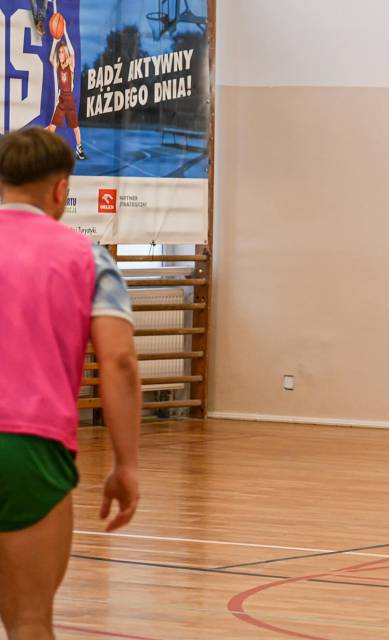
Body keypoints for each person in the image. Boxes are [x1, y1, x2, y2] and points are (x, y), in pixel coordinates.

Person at [0, 128, 141, 639]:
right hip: (29, 447)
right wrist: (125, 464)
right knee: (29, 621)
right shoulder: (88, 257)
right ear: (61, 189)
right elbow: (119, 360)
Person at [47, 27, 86, 161]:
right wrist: (54, 42)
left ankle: (79, 148)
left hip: (69, 99)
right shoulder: (58, 66)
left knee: (75, 127)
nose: (61, 54)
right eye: (60, 52)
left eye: (63, 52)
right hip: (61, 99)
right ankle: (47, 149)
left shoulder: (70, 66)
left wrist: (64, 32)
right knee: (51, 127)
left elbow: (73, 53)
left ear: (66, 54)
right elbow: (50, 58)